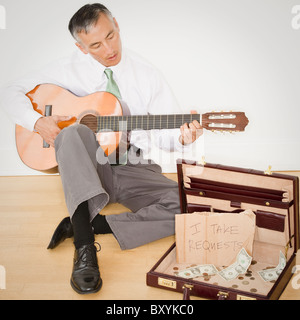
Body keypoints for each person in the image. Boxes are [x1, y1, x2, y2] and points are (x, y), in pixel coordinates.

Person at [1, 3, 202, 294]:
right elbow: (7, 91)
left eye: (111, 35)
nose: (109, 48)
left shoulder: (147, 75)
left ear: (116, 24)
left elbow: (165, 137)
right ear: (81, 47)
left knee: (186, 205)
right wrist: (37, 122)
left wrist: (183, 138)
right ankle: (85, 249)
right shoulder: (65, 69)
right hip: (90, 169)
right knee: (72, 133)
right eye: (95, 44)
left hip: (133, 166)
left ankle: (91, 224)